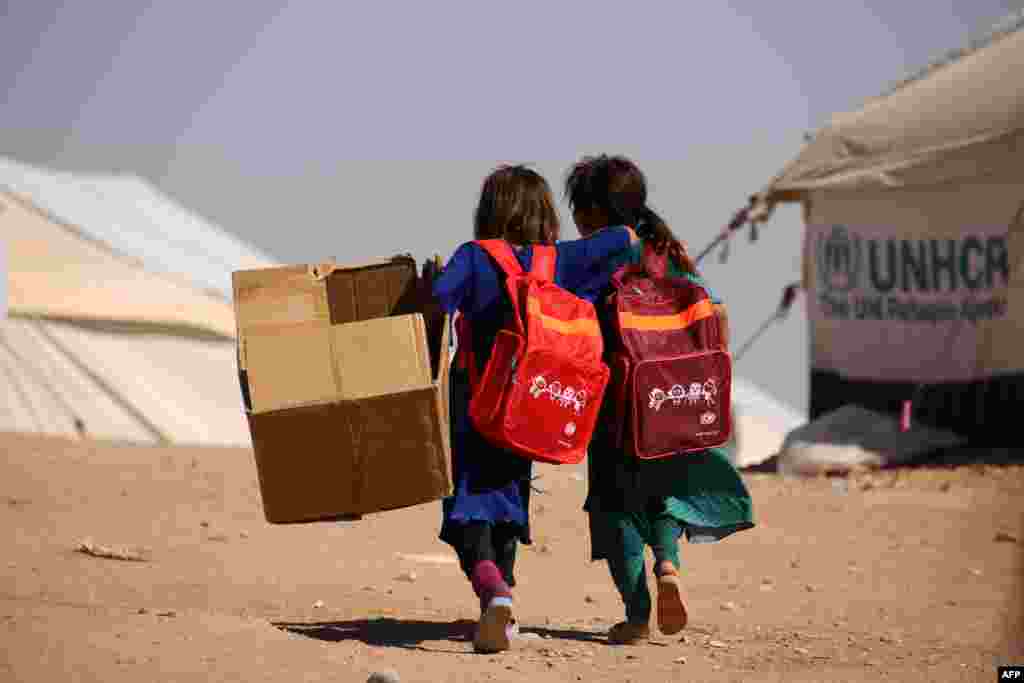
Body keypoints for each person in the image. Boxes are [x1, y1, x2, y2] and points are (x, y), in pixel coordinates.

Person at [431, 164, 639, 653]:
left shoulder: (474, 257)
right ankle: (500, 607)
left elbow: (436, 302)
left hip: (476, 402)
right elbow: (623, 240)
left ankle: (493, 593)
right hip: (532, 405)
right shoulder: (559, 262)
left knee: (468, 504)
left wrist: (430, 281)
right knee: (507, 501)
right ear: (544, 212)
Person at [564, 154, 755, 644]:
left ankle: (636, 615)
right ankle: (668, 564)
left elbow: (570, 313)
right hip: (676, 400)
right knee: (664, 493)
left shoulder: (601, 257)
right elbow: (714, 314)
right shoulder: (669, 252)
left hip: (618, 409)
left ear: (591, 212)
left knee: (615, 506)